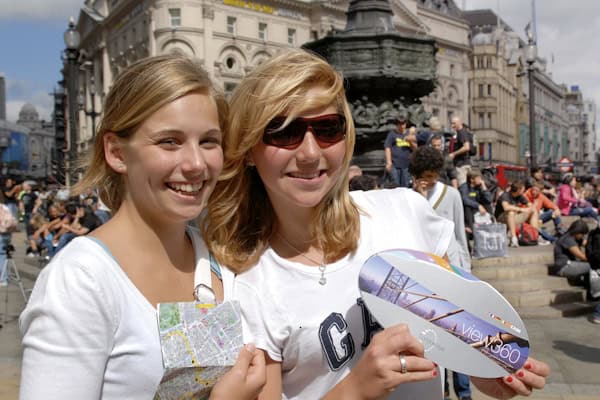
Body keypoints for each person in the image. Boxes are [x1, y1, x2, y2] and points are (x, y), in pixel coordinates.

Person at [203, 49, 549, 400]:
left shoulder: (406, 213)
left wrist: (482, 368)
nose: (309, 153)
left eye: (327, 129)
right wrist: (355, 389)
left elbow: (456, 328)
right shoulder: (247, 282)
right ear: (247, 148)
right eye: (282, 131)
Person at [19, 54, 265, 400]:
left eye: (209, 141)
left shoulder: (220, 264)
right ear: (117, 152)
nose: (196, 164)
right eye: (169, 142)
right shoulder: (80, 280)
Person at [408, 146, 473, 400]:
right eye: (425, 174)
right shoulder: (410, 197)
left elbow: (459, 235)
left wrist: (466, 271)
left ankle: (464, 391)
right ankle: (441, 390)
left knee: (460, 333)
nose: (430, 179)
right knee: (435, 335)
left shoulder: (452, 194)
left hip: (452, 266)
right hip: (426, 270)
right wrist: (419, 196)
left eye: (433, 174)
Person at [552, 220, 600, 323]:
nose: (583, 236)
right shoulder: (568, 239)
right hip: (564, 267)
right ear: (577, 231)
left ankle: (592, 292)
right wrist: (595, 259)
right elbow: (581, 256)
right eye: (582, 234)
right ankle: (594, 295)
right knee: (592, 266)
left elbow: (587, 244)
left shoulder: (575, 238)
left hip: (571, 264)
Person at [494, 180, 546, 247]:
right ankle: (513, 239)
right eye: (523, 189)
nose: (524, 190)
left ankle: (535, 236)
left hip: (514, 217)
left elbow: (530, 206)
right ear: (518, 190)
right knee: (511, 212)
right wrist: (521, 209)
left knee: (533, 211)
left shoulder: (520, 196)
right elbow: (506, 207)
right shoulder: (505, 195)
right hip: (501, 218)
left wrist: (532, 207)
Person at [384, 115, 416, 188]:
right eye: (399, 124)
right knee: (395, 184)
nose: (402, 126)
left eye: (403, 124)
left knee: (405, 185)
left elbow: (415, 149)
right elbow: (387, 147)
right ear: (397, 124)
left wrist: (410, 141)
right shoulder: (392, 134)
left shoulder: (409, 134)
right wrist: (389, 162)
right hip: (394, 164)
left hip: (406, 165)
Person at [459, 168, 493, 235]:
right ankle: (470, 229)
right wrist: (478, 205)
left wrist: (484, 187)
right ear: (472, 180)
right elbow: (464, 200)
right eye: (478, 178)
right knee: (467, 206)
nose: (481, 180)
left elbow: (489, 200)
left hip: (477, 210)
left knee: (487, 205)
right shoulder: (464, 187)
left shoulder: (479, 187)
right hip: (466, 212)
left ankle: (489, 226)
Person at [449, 116, 473, 186]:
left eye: (454, 123)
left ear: (460, 123)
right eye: (451, 124)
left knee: (462, 187)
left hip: (462, 166)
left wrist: (453, 154)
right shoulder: (460, 133)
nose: (452, 126)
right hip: (465, 164)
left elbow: (466, 147)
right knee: (467, 187)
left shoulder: (462, 133)